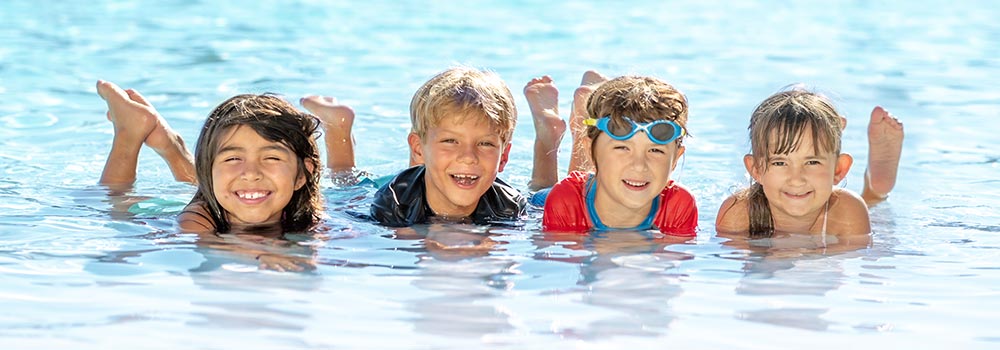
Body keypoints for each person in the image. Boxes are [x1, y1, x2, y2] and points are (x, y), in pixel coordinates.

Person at [96, 80, 323, 271]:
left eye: (272, 158)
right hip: (158, 209)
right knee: (113, 199)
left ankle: (173, 147)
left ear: (302, 175)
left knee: (229, 179)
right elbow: (208, 245)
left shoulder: (307, 213)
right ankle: (129, 133)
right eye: (233, 158)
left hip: (222, 190)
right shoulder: (197, 218)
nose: (252, 174)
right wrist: (259, 254)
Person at [300, 66, 526, 227]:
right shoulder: (393, 202)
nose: (469, 157)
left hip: (428, 175)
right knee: (346, 182)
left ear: (503, 157)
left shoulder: (509, 205)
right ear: (417, 149)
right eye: (451, 141)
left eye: (485, 143)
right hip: (398, 187)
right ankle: (337, 125)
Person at [715, 87, 904, 237]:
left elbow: (853, 271)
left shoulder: (848, 211)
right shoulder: (738, 214)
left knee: (875, 217)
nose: (796, 179)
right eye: (780, 163)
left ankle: (875, 191)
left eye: (812, 162)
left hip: (836, 214)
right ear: (756, 170)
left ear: (839, 169)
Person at [525, 74, 698, 237]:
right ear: (589, 148)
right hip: (549, 201)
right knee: (540, 186)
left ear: (675, 158)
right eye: (622, 148)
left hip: (590, 189)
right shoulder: (564, 201)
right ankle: (548, 134)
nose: (639, 165)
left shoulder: (678, 204)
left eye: (655, 150)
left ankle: (582, 119)